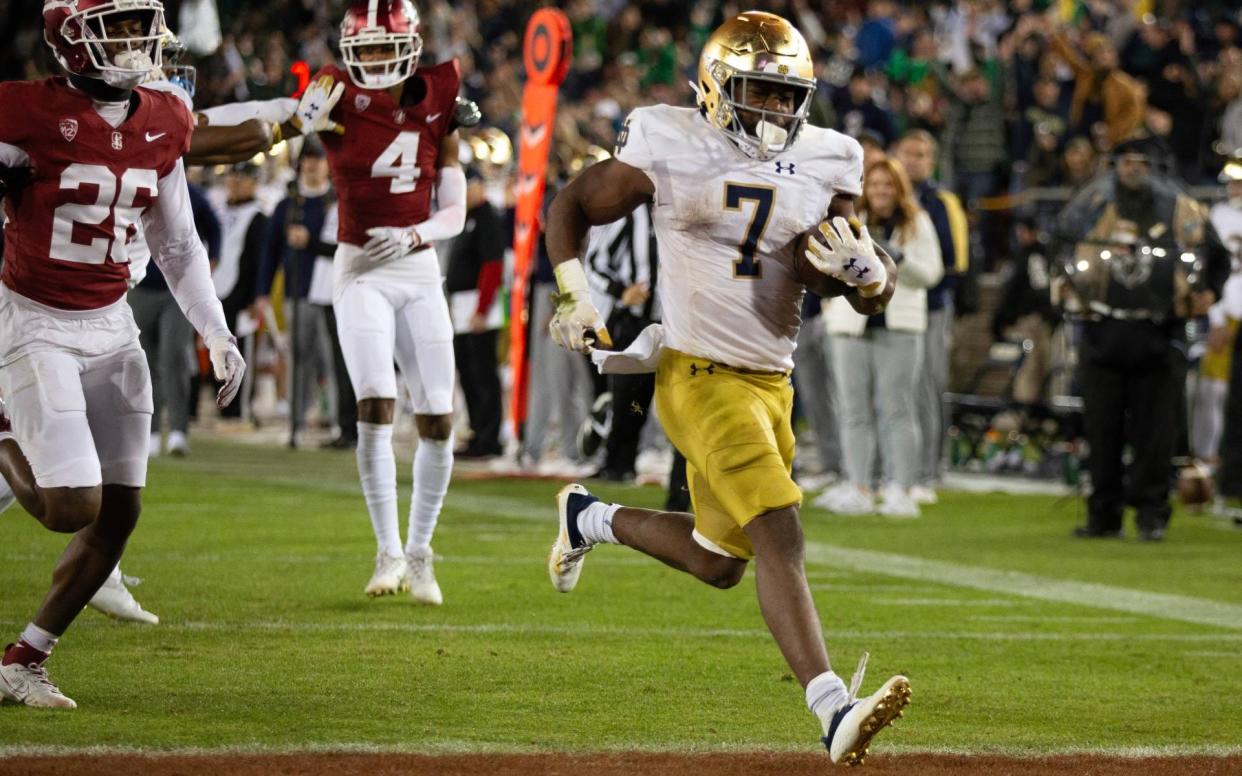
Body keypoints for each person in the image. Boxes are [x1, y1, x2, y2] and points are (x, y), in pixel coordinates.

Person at [542, 12, 909, 765]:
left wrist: (871, 277)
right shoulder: (669, 138)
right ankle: (832, 708)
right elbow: (573, 204)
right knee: (780, 527)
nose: (772, 111)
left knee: (720, 560)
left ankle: (589, 517)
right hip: (698, 374)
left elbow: (840, 269)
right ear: (715, 86)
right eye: (756, 92)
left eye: (784, 96)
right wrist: (573, 295)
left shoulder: (831, 156)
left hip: (772, 379)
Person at [0, 0, 244, 708]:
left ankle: (24, 659)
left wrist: (217, 332)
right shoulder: (22, 112)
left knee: (121, 510)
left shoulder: (166, 115)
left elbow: (176, 243)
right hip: (37, 317)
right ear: (71, 42)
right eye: (120, 29)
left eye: (141, 27)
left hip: (112, 319)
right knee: (70, 505)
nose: (138, 42)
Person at [314, 0, 471, 605]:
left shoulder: (440, 99)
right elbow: (295, 123)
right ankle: (387, 552)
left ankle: (422, 553)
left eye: (386, 47)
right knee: (375, 403)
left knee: (437, 416)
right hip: (360, 271)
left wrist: (415, 233)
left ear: (409, 46)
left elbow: (455, 211)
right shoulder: (334, 98)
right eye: (367, 49)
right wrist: (300, 118)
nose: (376, 60)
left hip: (417, 266)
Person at [1055, 136, 1230, 541]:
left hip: (1159, 330)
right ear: (1115, 165)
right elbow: (1059, 245)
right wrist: (1065, 287)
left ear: (1154, 167)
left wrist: (1210, 293)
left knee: (1157, 434)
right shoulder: (1092, 205)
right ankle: (1104, 514)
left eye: (1142, 162)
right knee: (1102, 430)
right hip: (1103, 329)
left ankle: (1152, 514)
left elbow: (1217, 257)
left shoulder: (1181, 208)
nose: (1134, 168)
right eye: (1127, 160)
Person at [819, 159, 943, 517]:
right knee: (853, 410)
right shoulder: (851, 222)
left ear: (899, 188)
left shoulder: (916, 222)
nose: (881, 191)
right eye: (874, 185)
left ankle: (900, 488)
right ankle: (858, 485)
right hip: (852, 324)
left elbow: (932, 274)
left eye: (888, 185)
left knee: (897, 409)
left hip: (899, 326)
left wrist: (900, 258)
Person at [893, 129, 967, 503]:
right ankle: (898, 468)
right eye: (908, 152)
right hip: (895, 309)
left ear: (932, 161)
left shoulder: (941, 202)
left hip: (932, 306)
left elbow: (955, 261)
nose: (913, 161)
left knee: (927, 389)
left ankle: (930, 467)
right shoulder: (888, 197)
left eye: (921, 155)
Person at [255, 138, 338, 447]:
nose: (313, 164)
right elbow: (270, 251)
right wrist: (262, 291)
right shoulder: (288, 204)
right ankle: (297, 420)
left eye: (319, 158)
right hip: (298, 290)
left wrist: (311, 241)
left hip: (330, 294)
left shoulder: (335, 200)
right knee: (299, 357)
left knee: (330, 358)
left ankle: (336, 421)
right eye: (309, 158)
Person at [583, 202, 660, 481]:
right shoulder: (633, 214)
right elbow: (595, 263)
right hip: (635, 322)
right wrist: (621, 291)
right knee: (627, 396)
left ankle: (628, 461)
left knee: (659, 397)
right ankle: (616, 461)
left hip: (674, 323)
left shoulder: (682, 209)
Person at [446, 166, 506, 459]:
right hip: (462, 307)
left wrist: (482, 309)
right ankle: (477, 431)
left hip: (478, 306)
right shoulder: (468, 217)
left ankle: (489, 437)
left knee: (483, 374)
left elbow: (493, 266)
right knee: (468, 373)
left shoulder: (486, 217)